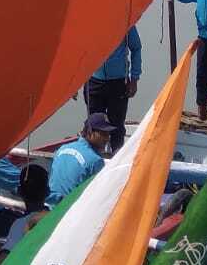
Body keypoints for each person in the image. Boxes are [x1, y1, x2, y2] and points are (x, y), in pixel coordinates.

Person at [84, 24, 142, 154]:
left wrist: (134, 78)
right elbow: (77, 48)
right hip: (93, 80)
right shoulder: (88, 18)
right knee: (93, 125)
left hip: (118, 82)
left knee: (116, 126)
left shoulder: (126, 20)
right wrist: (74, 80)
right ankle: (92, 159)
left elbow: (136, 48)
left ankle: (116, 157)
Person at [46, 113, 113, 206]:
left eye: (109, 134)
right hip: (68, 210)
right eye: (103, 134)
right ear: (89, 132)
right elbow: (98, 195)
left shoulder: (62, 149)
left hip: (50, 205)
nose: (107, 138)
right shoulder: (96, 161)